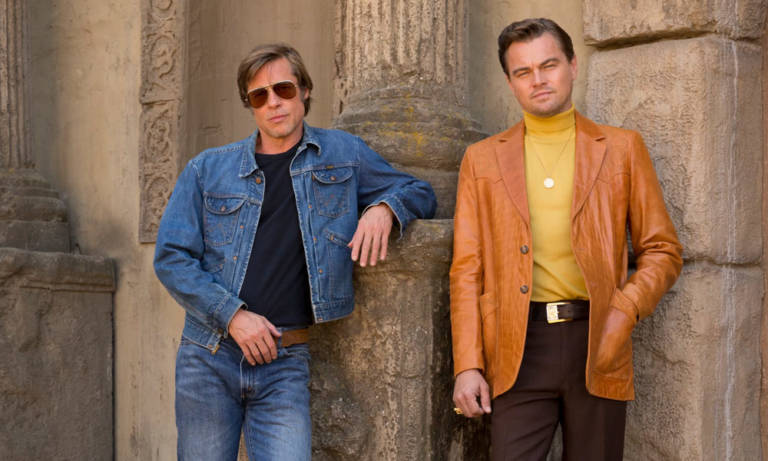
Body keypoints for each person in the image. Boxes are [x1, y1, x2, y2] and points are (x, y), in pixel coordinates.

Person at [154, 43, 436, 461]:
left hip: (284, 361)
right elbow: (172, 258)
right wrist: (233, 316)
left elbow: (419, 191)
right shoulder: (207, 169)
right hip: (209, 355)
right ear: (249, 105)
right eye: (259, 95)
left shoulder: (343, 154)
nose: (273, 102)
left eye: (283, 89)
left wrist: (383, 208)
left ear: (304, 90)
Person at [450, 18, 683, 460]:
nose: (537, 80)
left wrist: (625, 311)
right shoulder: (481, 160)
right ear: (510, 82)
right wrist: (468, 364)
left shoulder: (622, 149)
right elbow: (466, 270)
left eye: (549, 65)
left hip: (599, 340)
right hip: (515, 348)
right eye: (523, 72)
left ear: (573, 66)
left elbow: (663, 249)